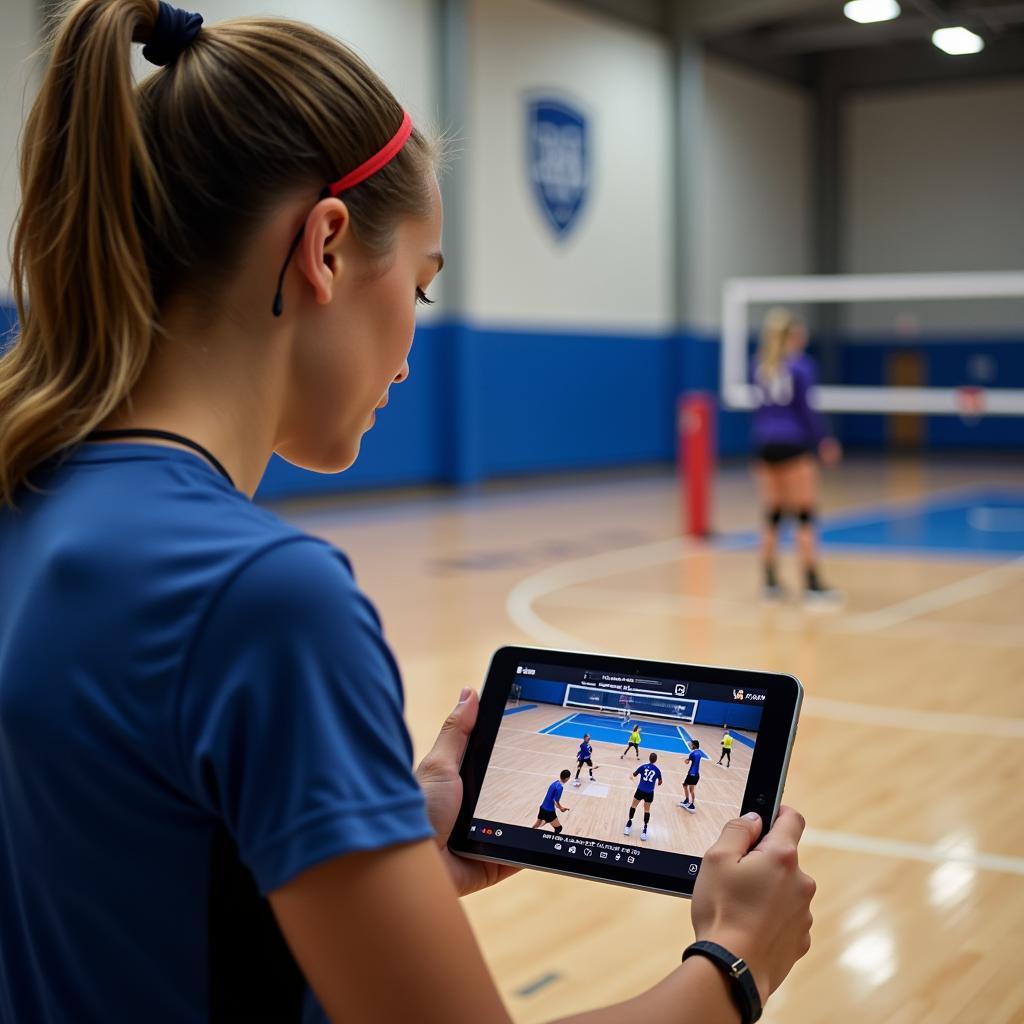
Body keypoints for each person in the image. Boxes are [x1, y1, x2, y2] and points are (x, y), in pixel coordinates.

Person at [0, 2, 815, 1021]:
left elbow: (127, 901)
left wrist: (385, 850)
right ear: (327, 247)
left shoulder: (29, 497)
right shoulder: (259, 598)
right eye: (423, 291)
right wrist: (735, 962)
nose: (410, 343)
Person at [752, 308, 842, 602]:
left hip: (765, 445)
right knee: (804, 514)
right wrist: (824, 440)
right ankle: (812, 583)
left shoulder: (761, 365)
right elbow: (807, 411)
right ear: (792, 335)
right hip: (793, 445)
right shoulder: (802, 366)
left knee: (773, 515)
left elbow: (762, 410)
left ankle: (769, 581)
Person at [625, 752, 662, 841]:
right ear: (655, 760)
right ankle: (644, 830)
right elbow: (660, 782)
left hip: (640, 790)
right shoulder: (657, 770)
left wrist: (632, 777)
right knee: (647, 810)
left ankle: (629, 824)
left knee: (633, 806)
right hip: (649, 792)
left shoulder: (643, 767)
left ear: (649, 758)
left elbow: (634, 774)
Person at [681, 740, 709, 813]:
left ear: (694, 746)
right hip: (696, 775)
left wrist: (686, 760)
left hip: (691, 774)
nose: (690, 746)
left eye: (692, 745)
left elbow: (687, 762)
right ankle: (687, 800)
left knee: (690, 790)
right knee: (685, 785)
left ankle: (692, 804)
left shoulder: (692, 754)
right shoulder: (699, 753)